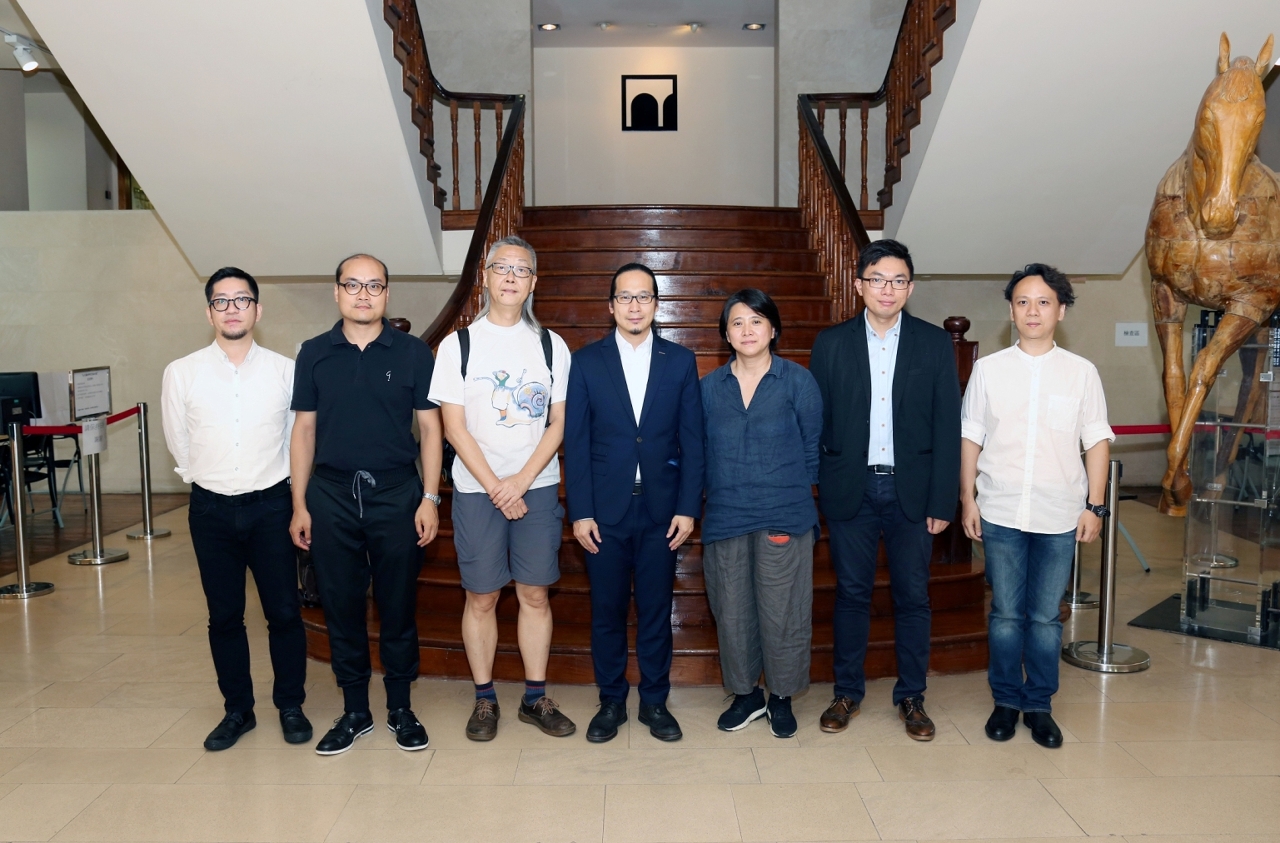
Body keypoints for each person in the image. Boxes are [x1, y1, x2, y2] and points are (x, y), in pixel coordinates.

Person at [289, 253, 442, 756]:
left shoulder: (415, 352)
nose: (362, 294)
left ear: (386, 294)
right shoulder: (313, 353)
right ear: (336, 292)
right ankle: (356, 709)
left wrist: (429, 497)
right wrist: (299, 504)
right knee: (341, 606)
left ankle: (401, 707)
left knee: (398, 605)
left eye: (373, 286)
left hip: (397, 493)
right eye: (352, 285)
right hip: (329, 495)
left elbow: (430, 429)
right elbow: (304, 430)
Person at [809, 238, 960, 741]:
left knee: (913, 597)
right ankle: (846, 691)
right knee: (851, 594)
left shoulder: (934, 344)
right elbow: (819, 422)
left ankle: (911, 696)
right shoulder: (830, 344)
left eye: (898, 280)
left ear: (910, 287)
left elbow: (946, 426)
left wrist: (944, 501)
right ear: (859, 285)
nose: (887, 289)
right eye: (877, 279)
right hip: (850, 490)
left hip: (912, 493)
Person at [428, 235, 575, 741]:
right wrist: (496, 486)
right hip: (477, 491)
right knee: (483, 596)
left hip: (536, 486)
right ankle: (485, 697)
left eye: (521, 269)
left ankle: (535, 697)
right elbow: (454, 427)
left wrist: (521, 482)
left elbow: (557, 425)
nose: (511, 276)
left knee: (534, 594)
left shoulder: (552, 345)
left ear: (534, 281)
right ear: (485, 277)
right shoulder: (458, 344)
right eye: (501, 267)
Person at [960, 264, 1113, 749]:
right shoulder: (988, 369)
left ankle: (1039, 706)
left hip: (1057, 515)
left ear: (1060, 311)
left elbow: (1097, 443)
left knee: (1046, 618)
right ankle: (1006, 700)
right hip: (1001, 510)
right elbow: (971, 438)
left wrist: (1096, 506)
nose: (1033, 310)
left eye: (1043, 302)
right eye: (1023, 301)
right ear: (1010, 310)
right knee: (1005, 614)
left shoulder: (1081, 373)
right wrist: (968, 498)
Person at [161, 266, 310, 751]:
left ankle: (290, 705)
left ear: (257, 309)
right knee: (224, 616)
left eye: (241, 300)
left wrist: (293, 501)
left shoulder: (285, 371)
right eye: (221, 301)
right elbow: (178, 441)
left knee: (284, 612)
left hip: (271, 506)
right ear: (209, 312)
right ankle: (237, 710)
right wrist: (206, 478)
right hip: (211, 511)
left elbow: (296, 440)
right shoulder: (181, 372)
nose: (231, 308)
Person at [564, 263, 704, 743]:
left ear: (657, 305)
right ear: (611, 306)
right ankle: (610, 702)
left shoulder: (680, 361)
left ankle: (655, 702)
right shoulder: (585, 362)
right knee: (606, 611)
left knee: (654, 609)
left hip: (662, 512)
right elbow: (576, 442)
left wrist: (688, 507)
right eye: (625, 297)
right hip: (604, 512)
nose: (634, 305)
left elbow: (693, 440)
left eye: (644, 296)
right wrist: (579, 511)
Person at [700, 289, 821, 739]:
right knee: (731, 610)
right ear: (725, 334)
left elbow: (812, 450)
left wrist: (786, 492)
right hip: (726, 515)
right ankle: (747, 694)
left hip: (784, 516)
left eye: (756, 321)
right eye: (737, 323)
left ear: (773, 328)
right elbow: (699, 452)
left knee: (784, 611)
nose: (747, 330)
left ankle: (782, 696)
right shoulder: (709, 388)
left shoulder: (797, 381)